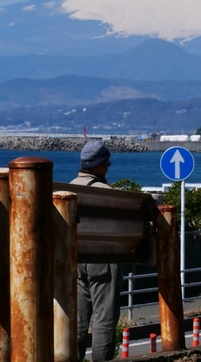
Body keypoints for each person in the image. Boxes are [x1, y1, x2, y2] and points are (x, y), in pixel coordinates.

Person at [72, 140, 121, 362]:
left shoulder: (68, 187)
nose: (108, 168)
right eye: (107, 164)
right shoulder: (106, 192)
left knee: (78, 318)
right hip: (102, 258)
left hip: (74, 259)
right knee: (104, 316)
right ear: (99, 166)